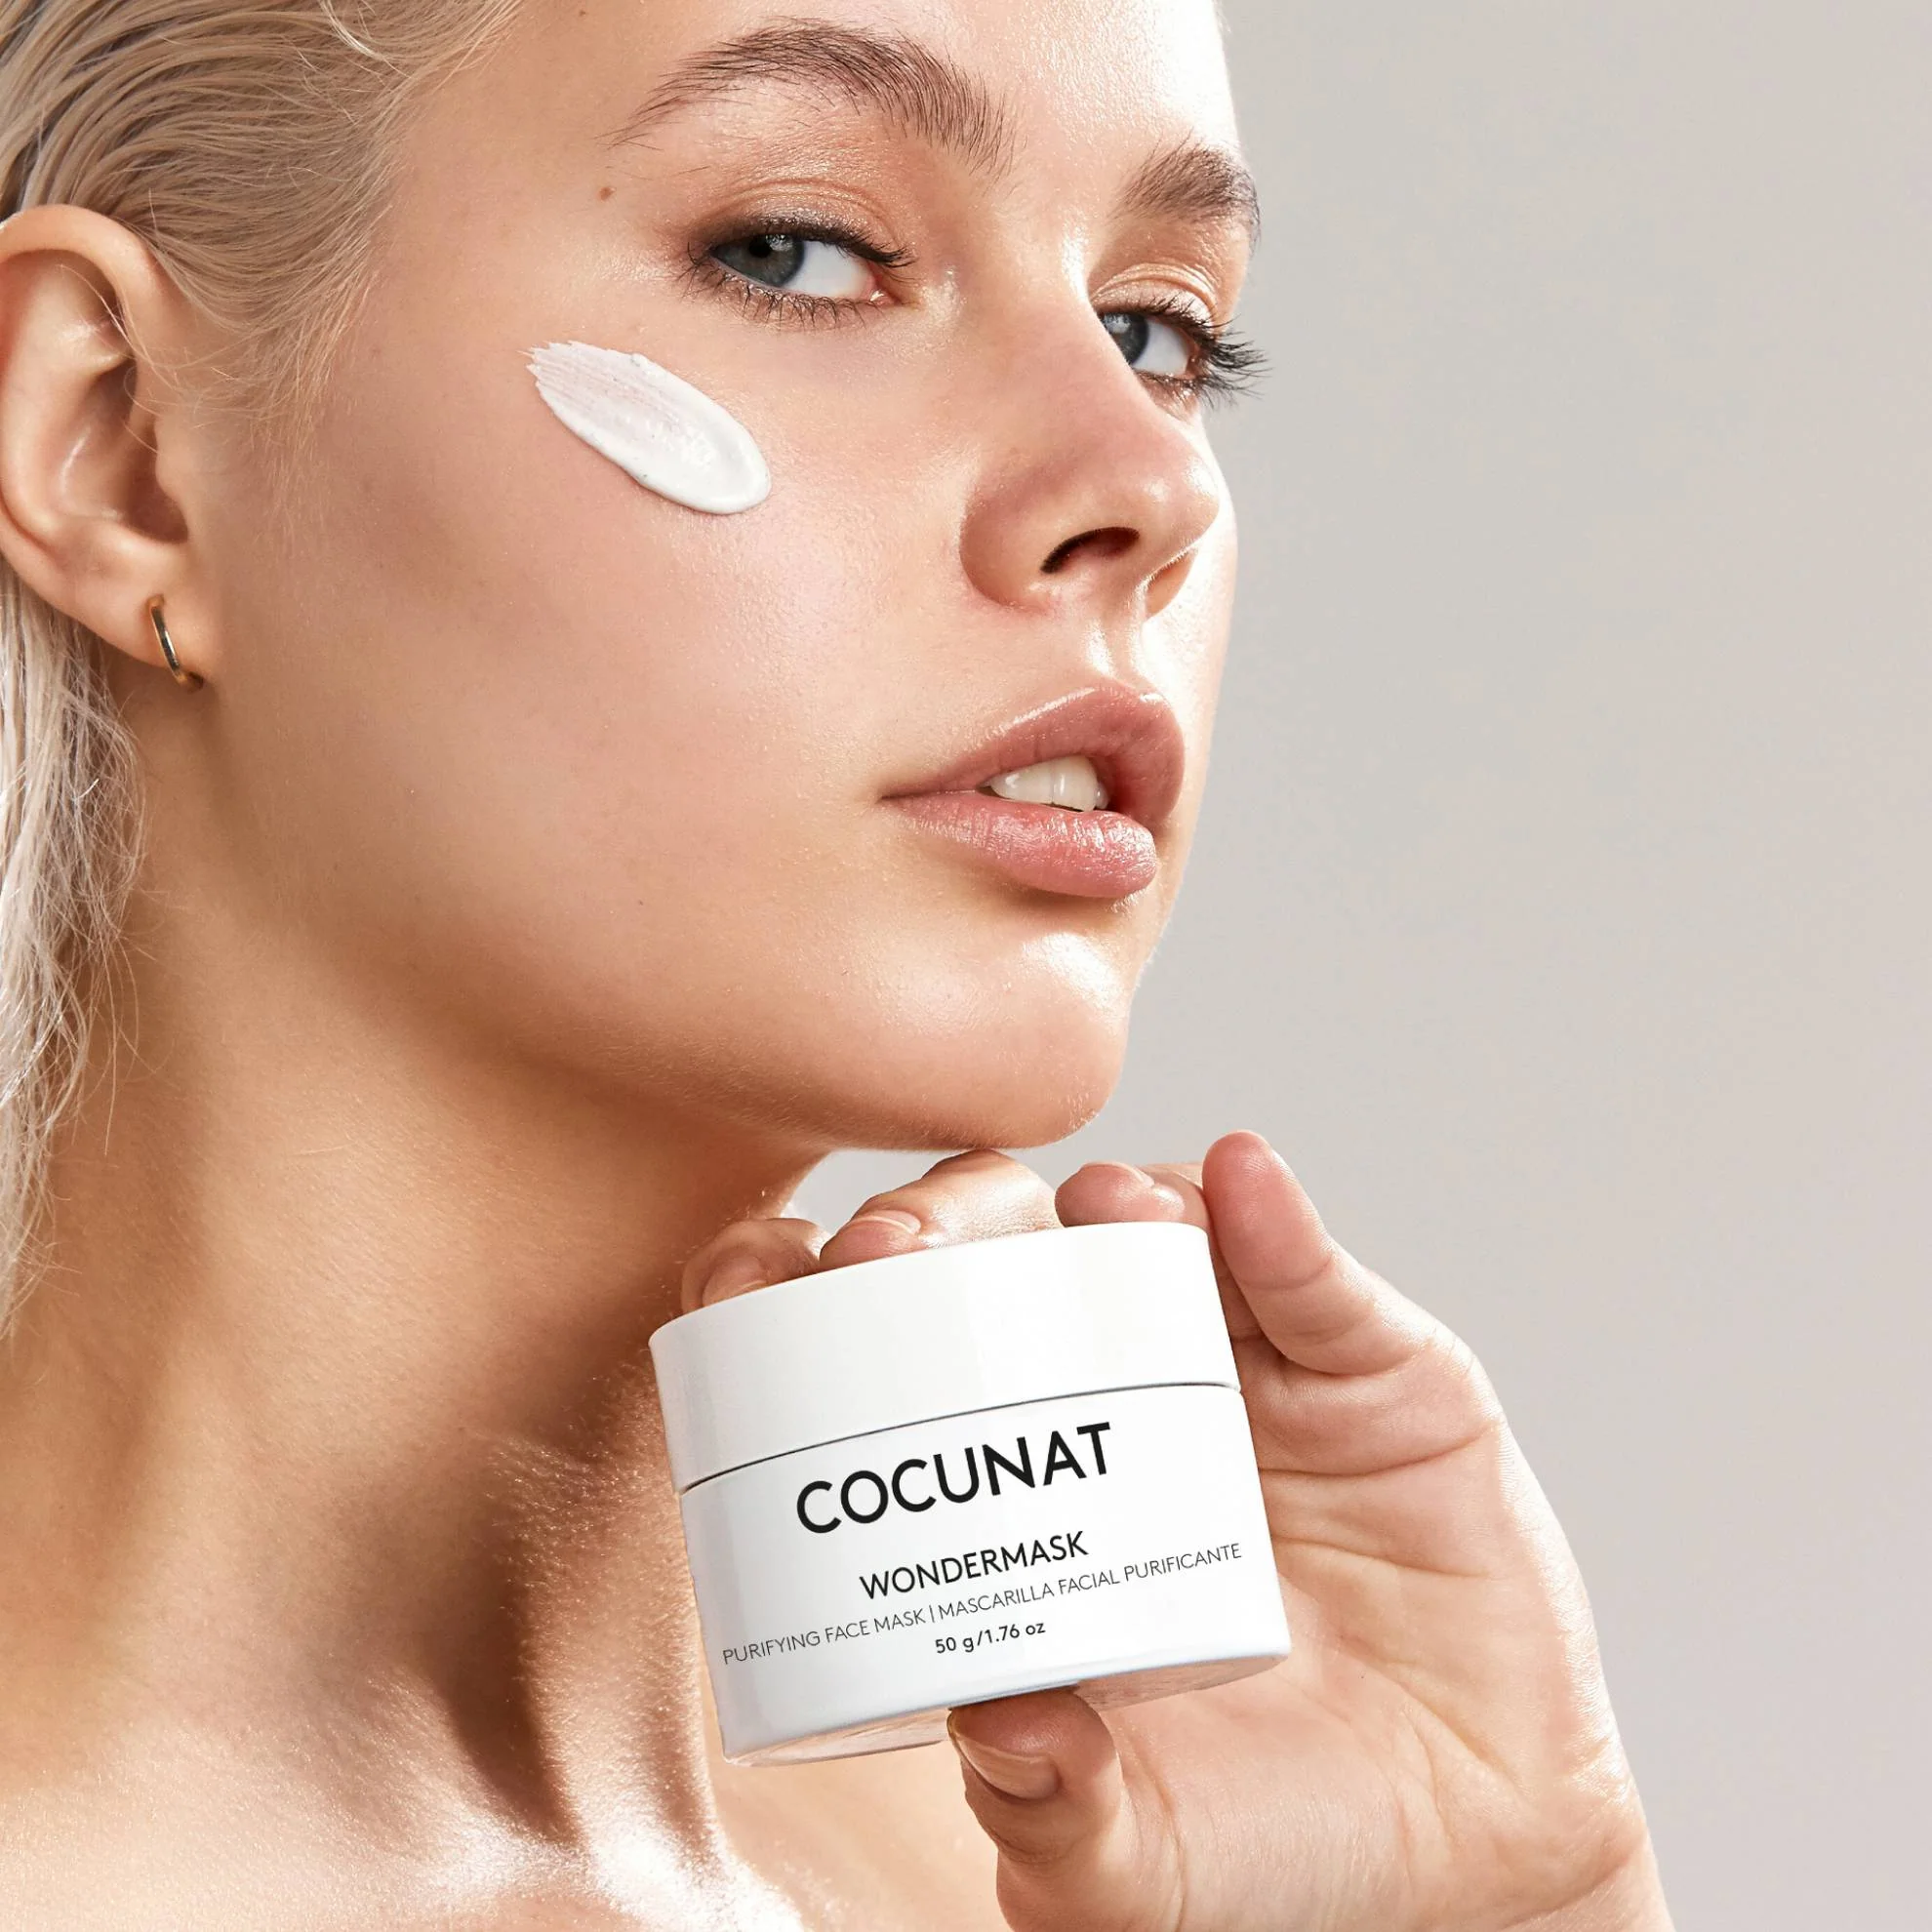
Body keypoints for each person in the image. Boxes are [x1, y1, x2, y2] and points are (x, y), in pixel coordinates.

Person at [0, 0, 1675, 1924]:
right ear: (117, 447)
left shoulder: (1125, 1853)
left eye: (1159, 330)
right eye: (798, 253)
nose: (1147, 486)